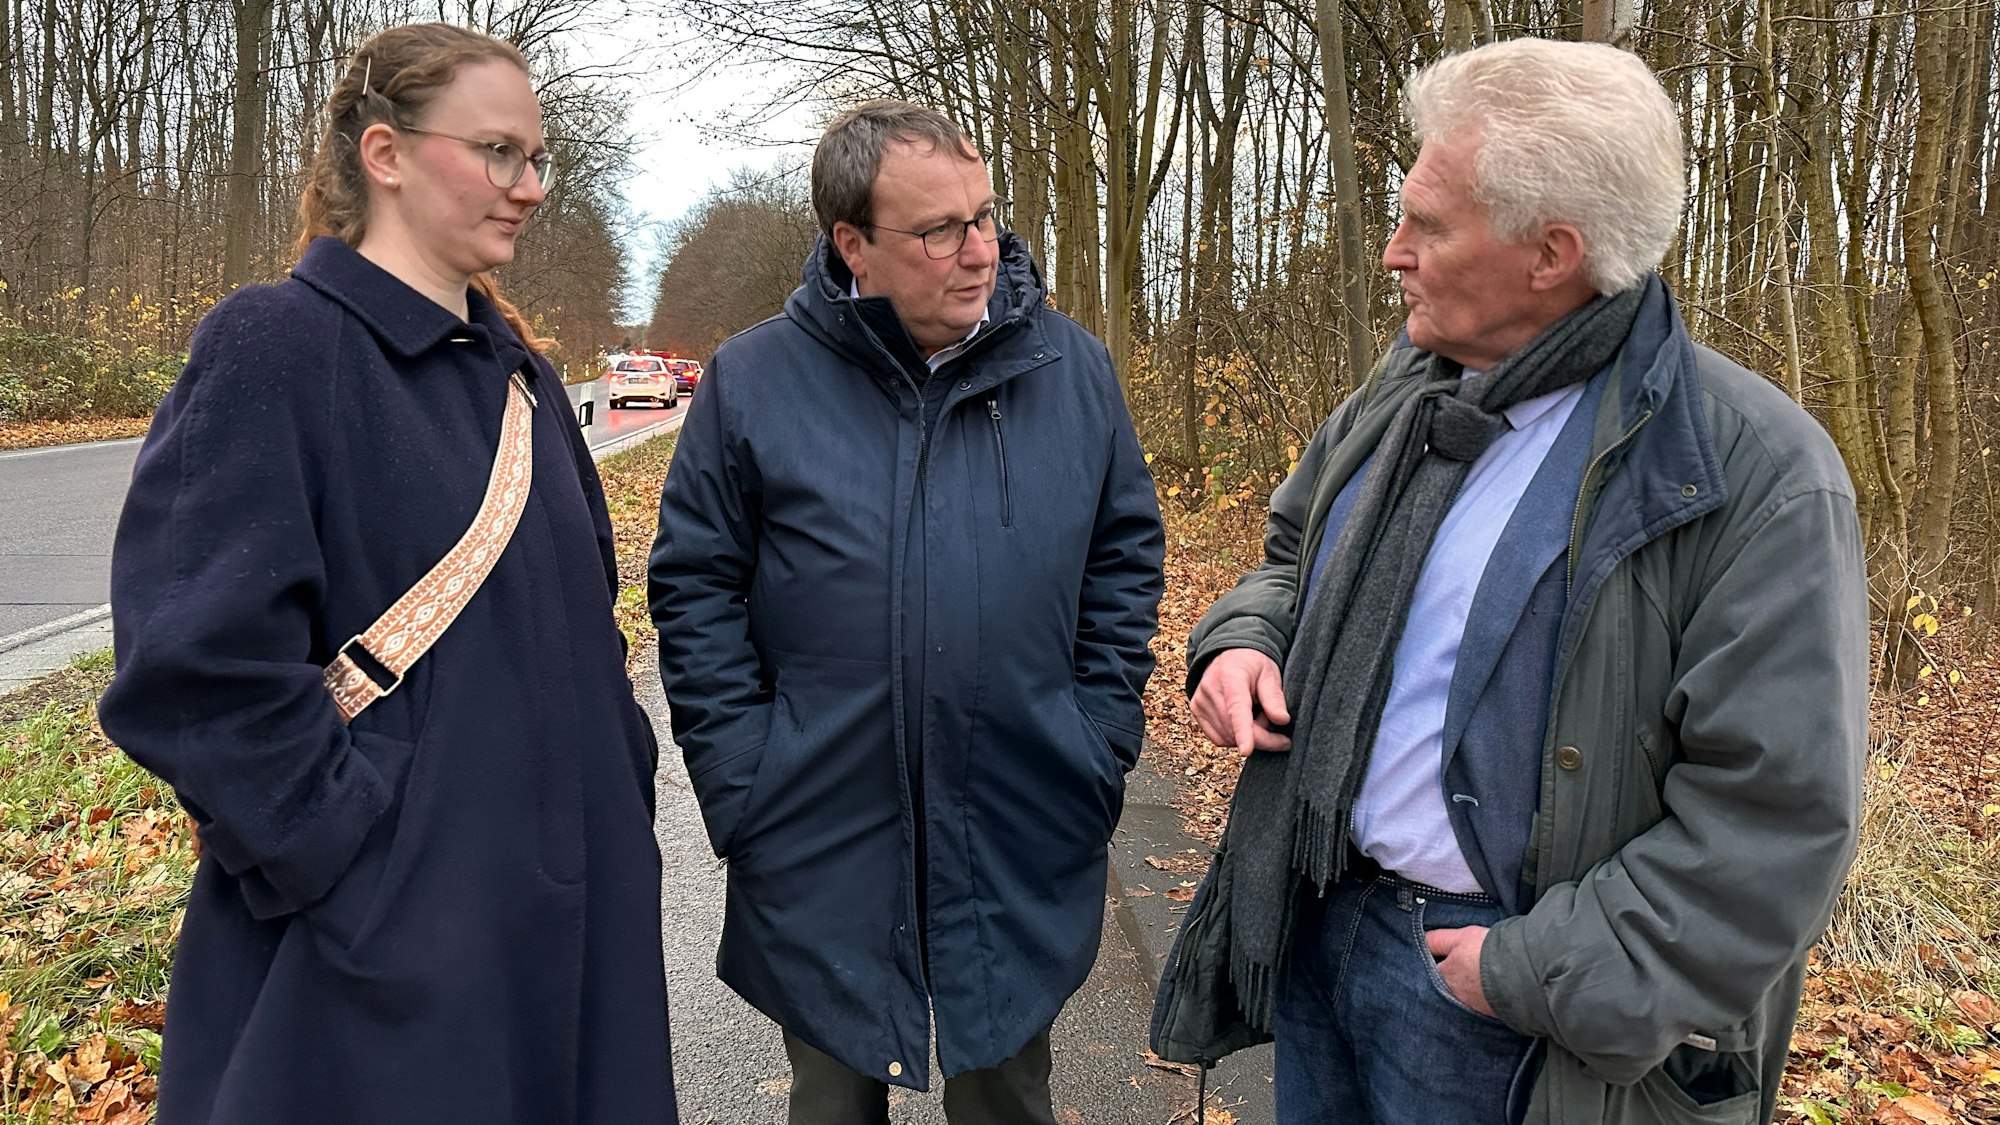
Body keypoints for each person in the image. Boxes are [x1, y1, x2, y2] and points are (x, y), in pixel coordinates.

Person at [1151, 38, 1866, 1125]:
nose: (1392, 253)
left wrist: (1529, 973)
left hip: (1497, 1009)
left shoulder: (1748, 473)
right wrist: (1242, 639)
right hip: (1316, 919)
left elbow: (1772, 820)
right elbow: (1292, 555)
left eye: (1427, 225)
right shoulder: (1410, 391)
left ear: (1551, 253)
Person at [99, 24, 677, 1124]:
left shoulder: (525, 384)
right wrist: (360, 870)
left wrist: (619, 788)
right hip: (371, 978)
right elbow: (191, 670)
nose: (531, 185)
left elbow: (583, 632)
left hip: (578, 941)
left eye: (538, 158)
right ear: (385, 152)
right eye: (499, 152)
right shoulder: (275, 347)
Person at [649, 99, 1164, 1123]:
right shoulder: (753, 381)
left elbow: (1122, 560)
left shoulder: (1071, 369)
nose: (978, 253)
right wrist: (742, 782)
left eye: (985, 218)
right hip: (819, 826)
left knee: (1008, 1096)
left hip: (1020, 814)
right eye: (938, 230)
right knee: (833, 1097)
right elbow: (695, 584)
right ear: (853, 246)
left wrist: (1094, 739)